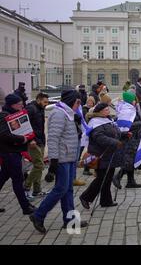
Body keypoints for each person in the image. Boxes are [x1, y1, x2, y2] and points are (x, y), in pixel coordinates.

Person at [29, 90, 89, 234]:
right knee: (60, 189)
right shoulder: (59, 114)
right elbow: (53, 138)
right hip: (61, 158)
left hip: (68, 157)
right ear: (71, 101)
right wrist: (53, 161)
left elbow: (71, 135)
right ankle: (38, 215)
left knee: (68, 190)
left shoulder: (67, 113)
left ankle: (70, 220)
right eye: (78, 102)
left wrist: (77, 124)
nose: (79, 105)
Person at [79, 103, 124, 209]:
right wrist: (114, 142)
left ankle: (106, 200)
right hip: (101, 154)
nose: (108, 111)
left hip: (110, 154)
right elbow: (99, 137)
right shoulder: (95, 122)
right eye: (105, 109)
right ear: (99, 112)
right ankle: (85, 197)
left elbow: (115, 133)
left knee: (108, 178)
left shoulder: (108, 120)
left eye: (108, 109)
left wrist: (124, 135)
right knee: (101, 178)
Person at [0, 94, 35, 215]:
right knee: (17, 180)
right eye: (20, 104)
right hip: (9, 153)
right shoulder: (4, 116)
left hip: (12, 152)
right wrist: (22, 139)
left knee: (3, 178)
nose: (22, 106)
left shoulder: (11, 115)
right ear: (13, 105)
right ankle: (25, 207)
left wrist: (28, 138)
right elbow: (4, 135)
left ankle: (26, 206)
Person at [112, 91, 141, 189]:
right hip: (129, 138)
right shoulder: (127, 110)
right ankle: (118, 177)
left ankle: (130, 181)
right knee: (129, 160)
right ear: (131, 100)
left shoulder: (130, 108)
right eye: (134, 99)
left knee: (131, 159)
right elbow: (126, 126)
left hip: (134, 137)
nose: (135, 101)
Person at [24, 93, 49, 199]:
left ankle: (37, 190)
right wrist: (31, 140)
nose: (46, 104)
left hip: (40, 140)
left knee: (38, 166)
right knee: (39, 165)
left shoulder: (40, 109)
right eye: (45, 102)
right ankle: (25, 187)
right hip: (33, 142)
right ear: (38, 100)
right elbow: (24, 125)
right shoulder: (31, 109)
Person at [80, 96, 96, 176]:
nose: (90, 103)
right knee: (91, 152)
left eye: (91, 102)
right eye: (89, 102)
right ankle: (86, 167)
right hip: (90, 134)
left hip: (92, 134)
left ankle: (88, 168)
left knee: (92, 152)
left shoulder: (93, 110)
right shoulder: (87, 111)